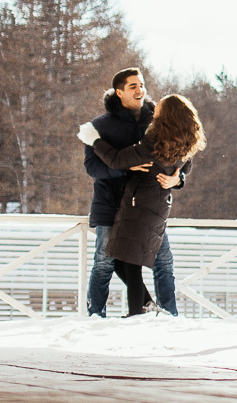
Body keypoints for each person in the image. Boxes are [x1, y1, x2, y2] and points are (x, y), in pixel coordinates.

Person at [78, 92, 206, 317]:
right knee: (128, 260)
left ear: (167, 115)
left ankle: (138, 314)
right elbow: (185, 166)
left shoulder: (153, 144)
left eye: (160, 107)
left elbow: (116, 160)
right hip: (156, 207)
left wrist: (95, 141)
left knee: (129, 263)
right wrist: (178, 179)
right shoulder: (183, 144)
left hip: (139, 207)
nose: (154, 107)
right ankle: (152, 309)